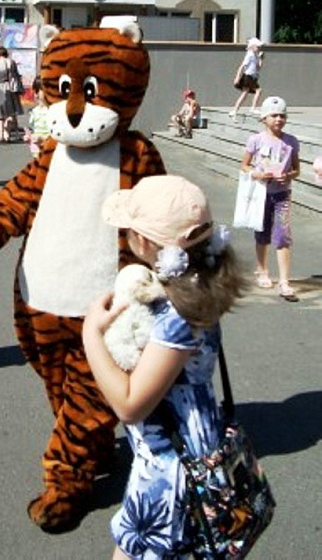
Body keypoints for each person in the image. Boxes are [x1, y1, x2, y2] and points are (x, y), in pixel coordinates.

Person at [82, 175, 247, 560]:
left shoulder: (176, 315)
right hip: (191, 449)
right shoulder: (198, 287)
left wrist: (91, 333)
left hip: (173, 466)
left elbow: (130, 404)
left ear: (144, 241)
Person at [241, 95, 300, 302]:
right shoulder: (255, 140)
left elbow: (297, 169)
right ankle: (262, 270)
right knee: (262, 232)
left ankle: (284, 281)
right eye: (274, 115)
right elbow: (244, 165)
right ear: (264, 118)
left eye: (282, 116)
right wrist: (256, 173)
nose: (278, 119)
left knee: (283, 235)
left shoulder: (291, 141)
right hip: (261, 194)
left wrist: (288, 175)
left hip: (282, 195)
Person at [0, 46, 23, 143]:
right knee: (11, 112)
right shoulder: (11, 62)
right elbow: (15, 76)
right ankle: (6, 132)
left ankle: (1, 135)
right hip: (10, 87)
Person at [229, 37, 264, 123]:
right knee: (257, 91)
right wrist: (237, 77)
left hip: (252, 77)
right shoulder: (250, 55)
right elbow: (242, 66)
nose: (259, 48)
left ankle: (235, 111)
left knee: (245, 94)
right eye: (257, 47)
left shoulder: (255, 56)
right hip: (248, 76)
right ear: (252, 46)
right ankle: (252, 108)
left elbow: (258, 68)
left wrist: (260, 59)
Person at [24, 75, 48, 157]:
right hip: (37, 149)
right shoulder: (34, 111)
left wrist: (42, 139)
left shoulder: (54, 111)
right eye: (44, 89)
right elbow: (33, 130)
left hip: (50, 148)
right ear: (36, 92)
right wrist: (28, 137)